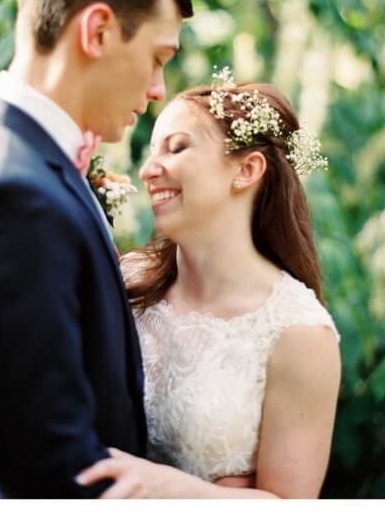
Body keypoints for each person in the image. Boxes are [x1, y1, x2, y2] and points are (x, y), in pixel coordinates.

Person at [0, 0, 193, 498]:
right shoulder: (12, 194)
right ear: (99, 31)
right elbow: (49, 470)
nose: (159, 88)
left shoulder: (32, 167)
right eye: (157, 57)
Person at [76, 73, 341, 498]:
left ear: (247, 170)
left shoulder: (300, 332)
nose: (147, 171)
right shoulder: (127, 279)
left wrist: (165, 487)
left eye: (176, 147)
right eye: (150, 151)